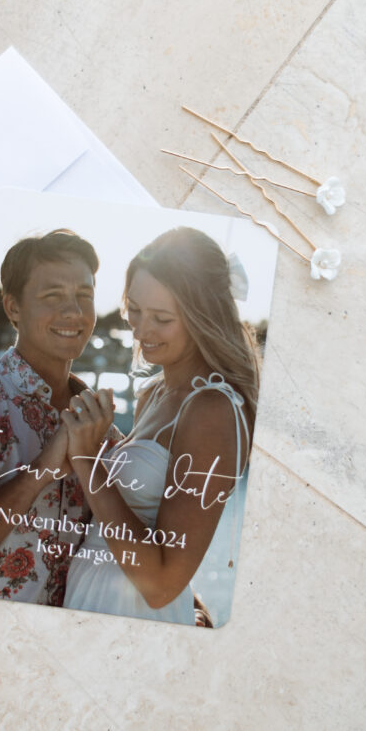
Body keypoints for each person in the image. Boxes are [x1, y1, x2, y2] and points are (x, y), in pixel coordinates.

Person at [61, 226, 258, 626]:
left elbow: (161, 584)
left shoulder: (211, 410)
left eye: (161, 318)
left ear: (201, 318)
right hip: (93, 593)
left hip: (132, 614)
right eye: (134, 309)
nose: (140, 329)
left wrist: (87, 460)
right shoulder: (154, 393)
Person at [0, 229, 118, 606]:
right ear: (12, 308)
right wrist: (43, 469)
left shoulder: (102, 425)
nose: (73, 311)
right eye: (53, 296)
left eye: (83, 296)